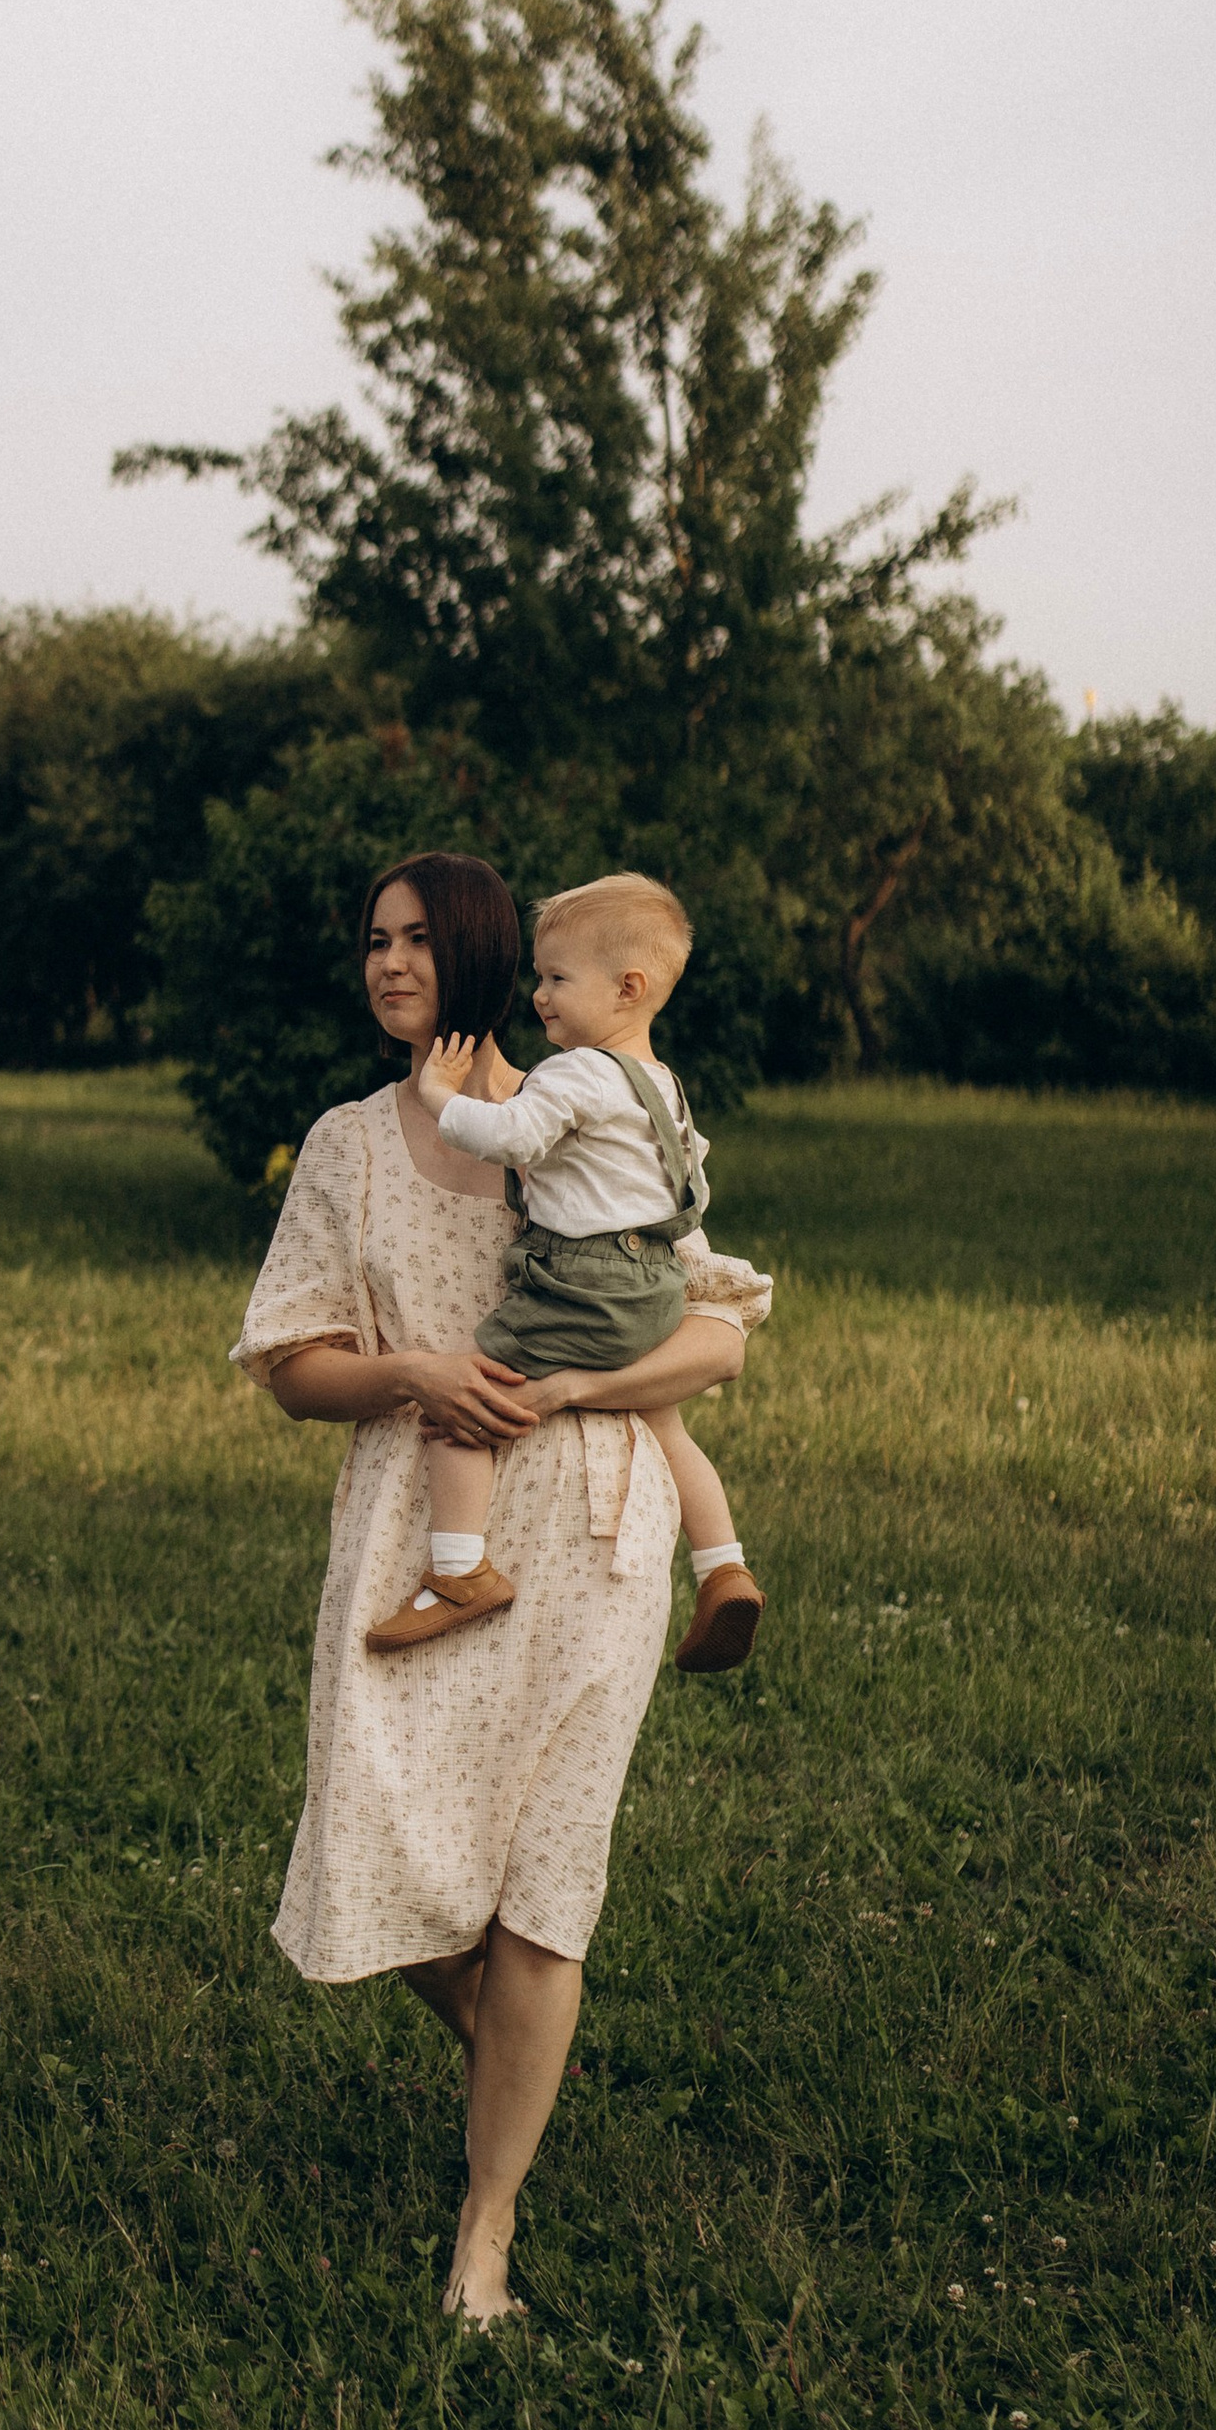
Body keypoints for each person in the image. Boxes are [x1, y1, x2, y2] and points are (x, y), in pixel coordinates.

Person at [232, 849, 758, 2326]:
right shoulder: (347, 1144)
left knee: (546, 1893)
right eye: (371, 941)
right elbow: (291, 1365)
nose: (388, 964)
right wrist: (411, 1371)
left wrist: (578, 1379)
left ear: (474, 955)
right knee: (380, 1837)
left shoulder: (593, 1103)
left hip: (592, 1531)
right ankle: (517, 2057)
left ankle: (486, 2235)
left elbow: (718, 1338)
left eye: (415, 940)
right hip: (423, 1531)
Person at [367, 871, 770, 1676]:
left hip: (582, 1281)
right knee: (666, 1422)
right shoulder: (662, 1085)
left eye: (556, 979)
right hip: (652, 1279)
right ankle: (722, 1565)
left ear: (628, 989)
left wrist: (441, 1094)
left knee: (469, 1395)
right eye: (540, 976)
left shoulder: (577, 1074)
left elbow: (512, 1136)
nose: (540, 995)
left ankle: (459, 1570)